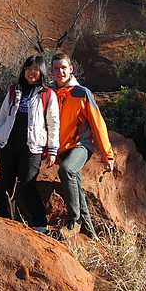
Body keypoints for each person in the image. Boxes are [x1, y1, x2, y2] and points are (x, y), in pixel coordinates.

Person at [0, 55, 59, 233]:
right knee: (6, 185)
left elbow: (53, 123)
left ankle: (41, 224)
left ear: (41, 71)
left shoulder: (47, 94)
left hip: (32, 147)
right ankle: (5, 221)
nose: (31, 72)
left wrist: (52, 150)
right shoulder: (14, 90)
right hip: (8, 146)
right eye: (28, 69)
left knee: (27, 185)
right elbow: (3, 117)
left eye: (35, 69)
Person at [50, 50, 115, 238]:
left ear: (70, 69)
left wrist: (107, 155)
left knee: (67, 171)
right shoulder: (49, 92)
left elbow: (98, 124)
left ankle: (73, 221)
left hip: (81, 146)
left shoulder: (82, 92)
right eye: (56, 68)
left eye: (63, 68)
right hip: (60, 149)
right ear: (51, 71)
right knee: (76, 185)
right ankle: (90, 233)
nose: (60, 72)